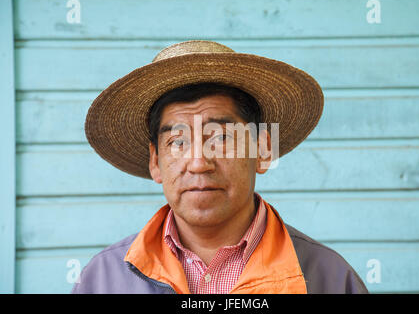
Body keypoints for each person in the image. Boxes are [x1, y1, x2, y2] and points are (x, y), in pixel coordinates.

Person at [72, 40, 368, 294]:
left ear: (263, 150)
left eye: (221, 138)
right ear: (155, 161)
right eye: (177, 141)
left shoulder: (329, 279)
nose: (199, 163)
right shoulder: (102, 280)